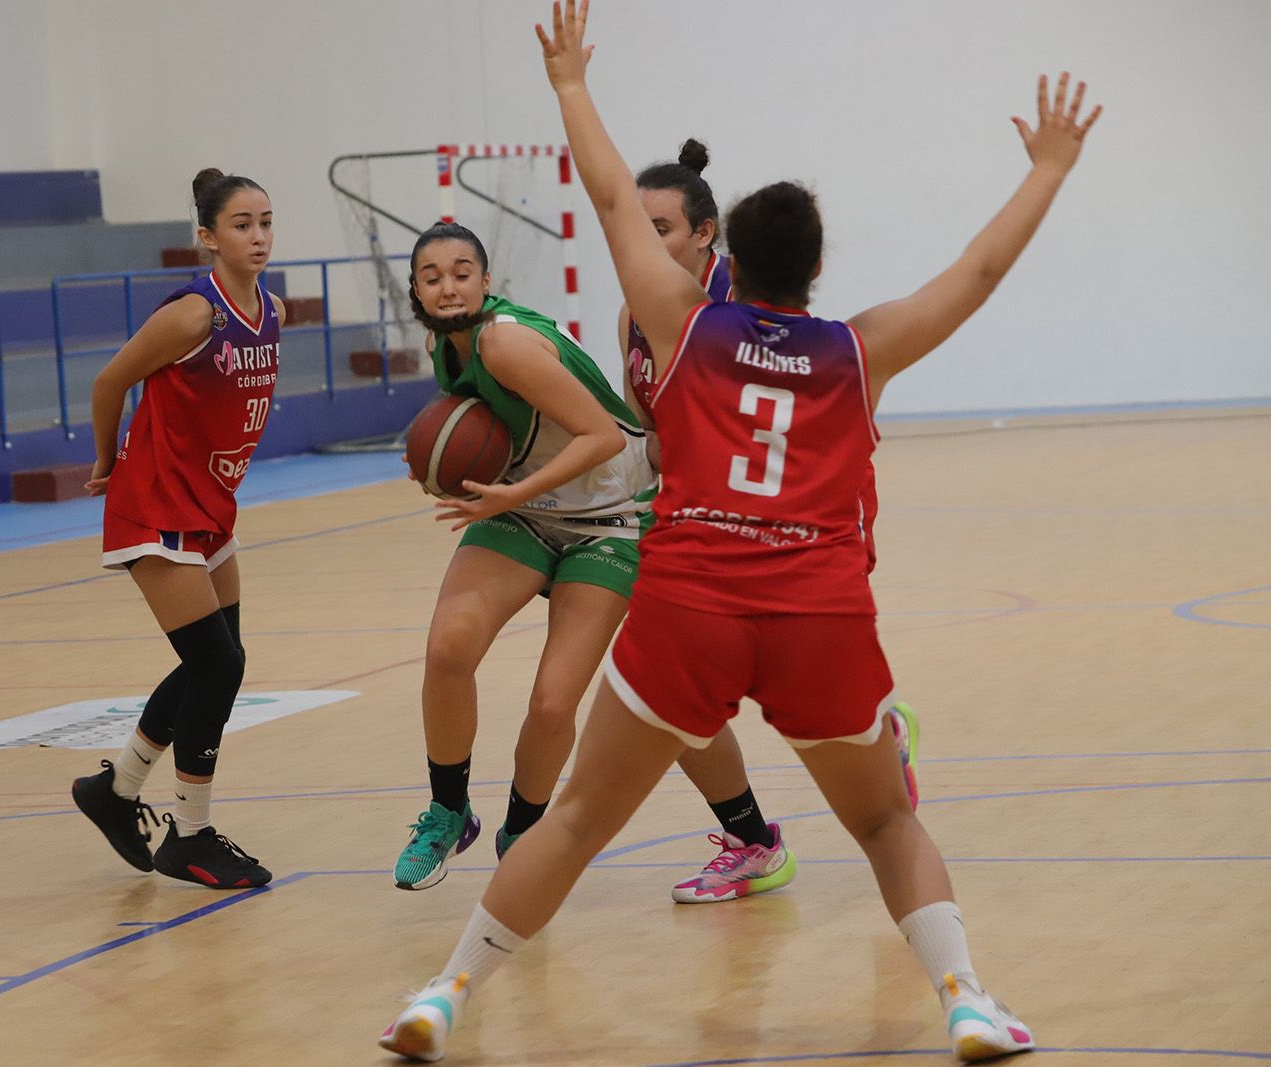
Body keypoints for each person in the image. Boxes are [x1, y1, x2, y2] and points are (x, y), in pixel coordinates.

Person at [379, 3, 1099, 1063]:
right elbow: (977, 272)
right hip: (818, 611)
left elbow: (616, 197)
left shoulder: (681, 323)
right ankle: (967, 1000)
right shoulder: (862, 347)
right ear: (815, 269)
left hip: (691, 604)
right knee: (887, 823)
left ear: (728, 259)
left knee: (575, 821)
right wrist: (1046, 167)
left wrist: (571, 84)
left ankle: (443, 993)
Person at [624, 139, 921, 903]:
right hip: (709, 520)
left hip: (806, 510)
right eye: (637, 224)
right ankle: (755, 835)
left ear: (704, 235)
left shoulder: (730, 305)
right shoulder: (642, 309)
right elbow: (654, 420)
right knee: (675, 697)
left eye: (658, 227)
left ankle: (871, 736)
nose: (644, 240)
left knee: (809, 654)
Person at [390, 220, 658, 891]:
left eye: (461, 272)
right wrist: (437, 461)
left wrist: (506, 491)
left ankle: (522, 830)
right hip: (526, 508)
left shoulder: (502, 340)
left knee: (550, 703)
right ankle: (448, 810)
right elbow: (483, 429)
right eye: (432, 276)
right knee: (448, 650)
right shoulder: (444, 345)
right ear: (415, 289)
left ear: (486, 281)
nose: (448, 286)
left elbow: (599, 435)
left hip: (608, 513)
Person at [70, 167, 283, 890]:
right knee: (217, 666)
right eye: (241, 225)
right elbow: (109, 381)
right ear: (208, 237)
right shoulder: (196, 314)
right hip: (154, 504)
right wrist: (106, 461)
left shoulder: (272, 309)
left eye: (265, 223)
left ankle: (115, 790)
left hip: (210, 505)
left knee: (222, 659)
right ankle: (189, 836)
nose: (257, 237)